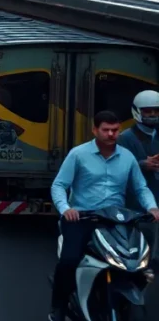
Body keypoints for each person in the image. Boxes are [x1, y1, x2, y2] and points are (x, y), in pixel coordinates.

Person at [49, 110, 159, 321]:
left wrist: (152, 208)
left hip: (117, 218)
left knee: (137, 262)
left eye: (115, 130)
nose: (111, 134)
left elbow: (141, 188)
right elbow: (59, 186)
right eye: (106, 130)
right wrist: (66, 209)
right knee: (69, 261)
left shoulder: (127, 157)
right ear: (95, 130)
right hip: (82, 218)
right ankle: (59, 307)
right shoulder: (78, 154)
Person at [117, 91, 159, 255]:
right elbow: (117, 169)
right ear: (138, 111)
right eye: (148, 111)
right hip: (135, 202)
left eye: (156, 110)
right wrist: (142, 165)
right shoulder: (125, 138)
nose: (153, 114)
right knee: (142, 244)